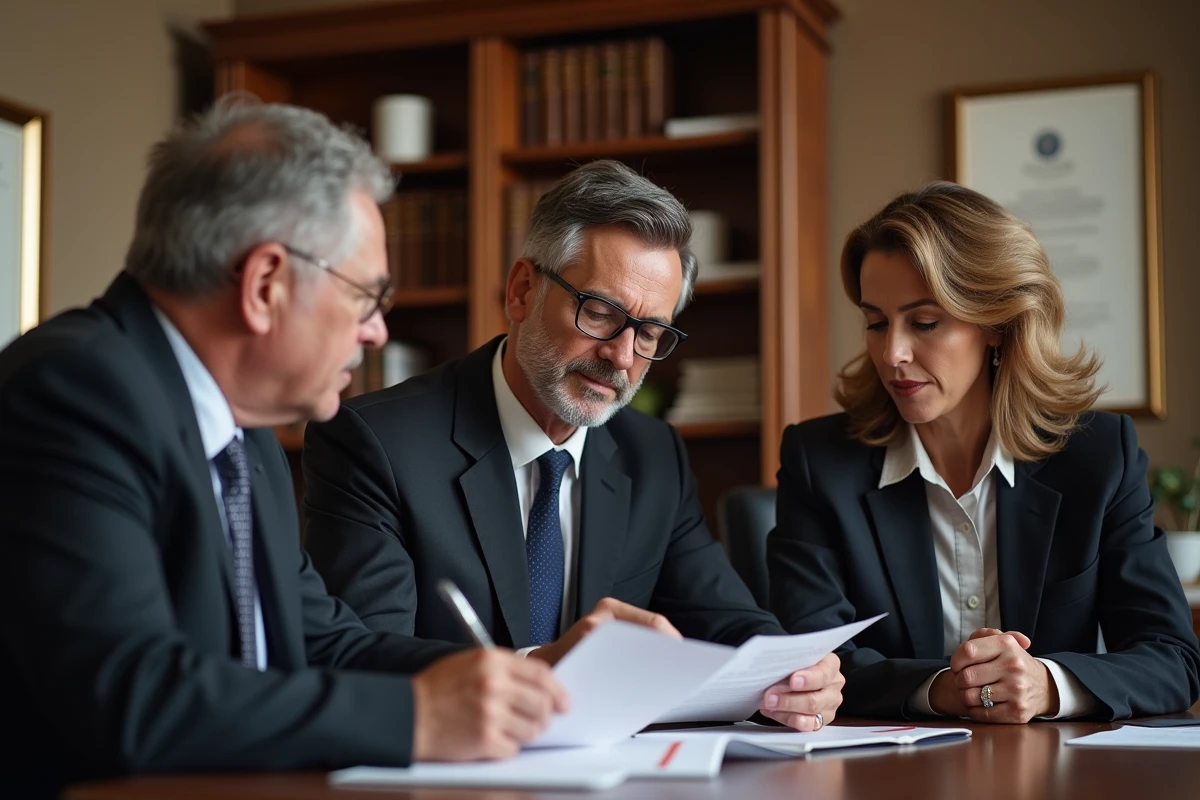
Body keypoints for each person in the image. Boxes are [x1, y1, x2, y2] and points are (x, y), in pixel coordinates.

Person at [0, 99, 568, 796]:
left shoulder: (247, 436)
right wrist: (418, 716)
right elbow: (133, 693)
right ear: (266, 284)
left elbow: (325, 643)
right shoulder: (75, 391)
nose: (377, 334)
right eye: (367, 297)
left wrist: (529, 675)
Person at [302, 159, 844, 732]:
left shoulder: (652, 453)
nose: (623, 356)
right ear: (521, 291)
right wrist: (539, 669)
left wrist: (796, 676)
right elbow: (359, 656)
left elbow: (727, 621)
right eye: (600, 313)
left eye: (650, 332)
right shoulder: (376, 442)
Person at [767, 180, 1200, 722]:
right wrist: (939, 689)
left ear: (996, 323)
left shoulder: (1098, 457)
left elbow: (1173, 659)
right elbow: (807, 665)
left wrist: (1049, 683)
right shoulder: (819, 461)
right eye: (876, 322)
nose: (892, 352)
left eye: (924, 323)